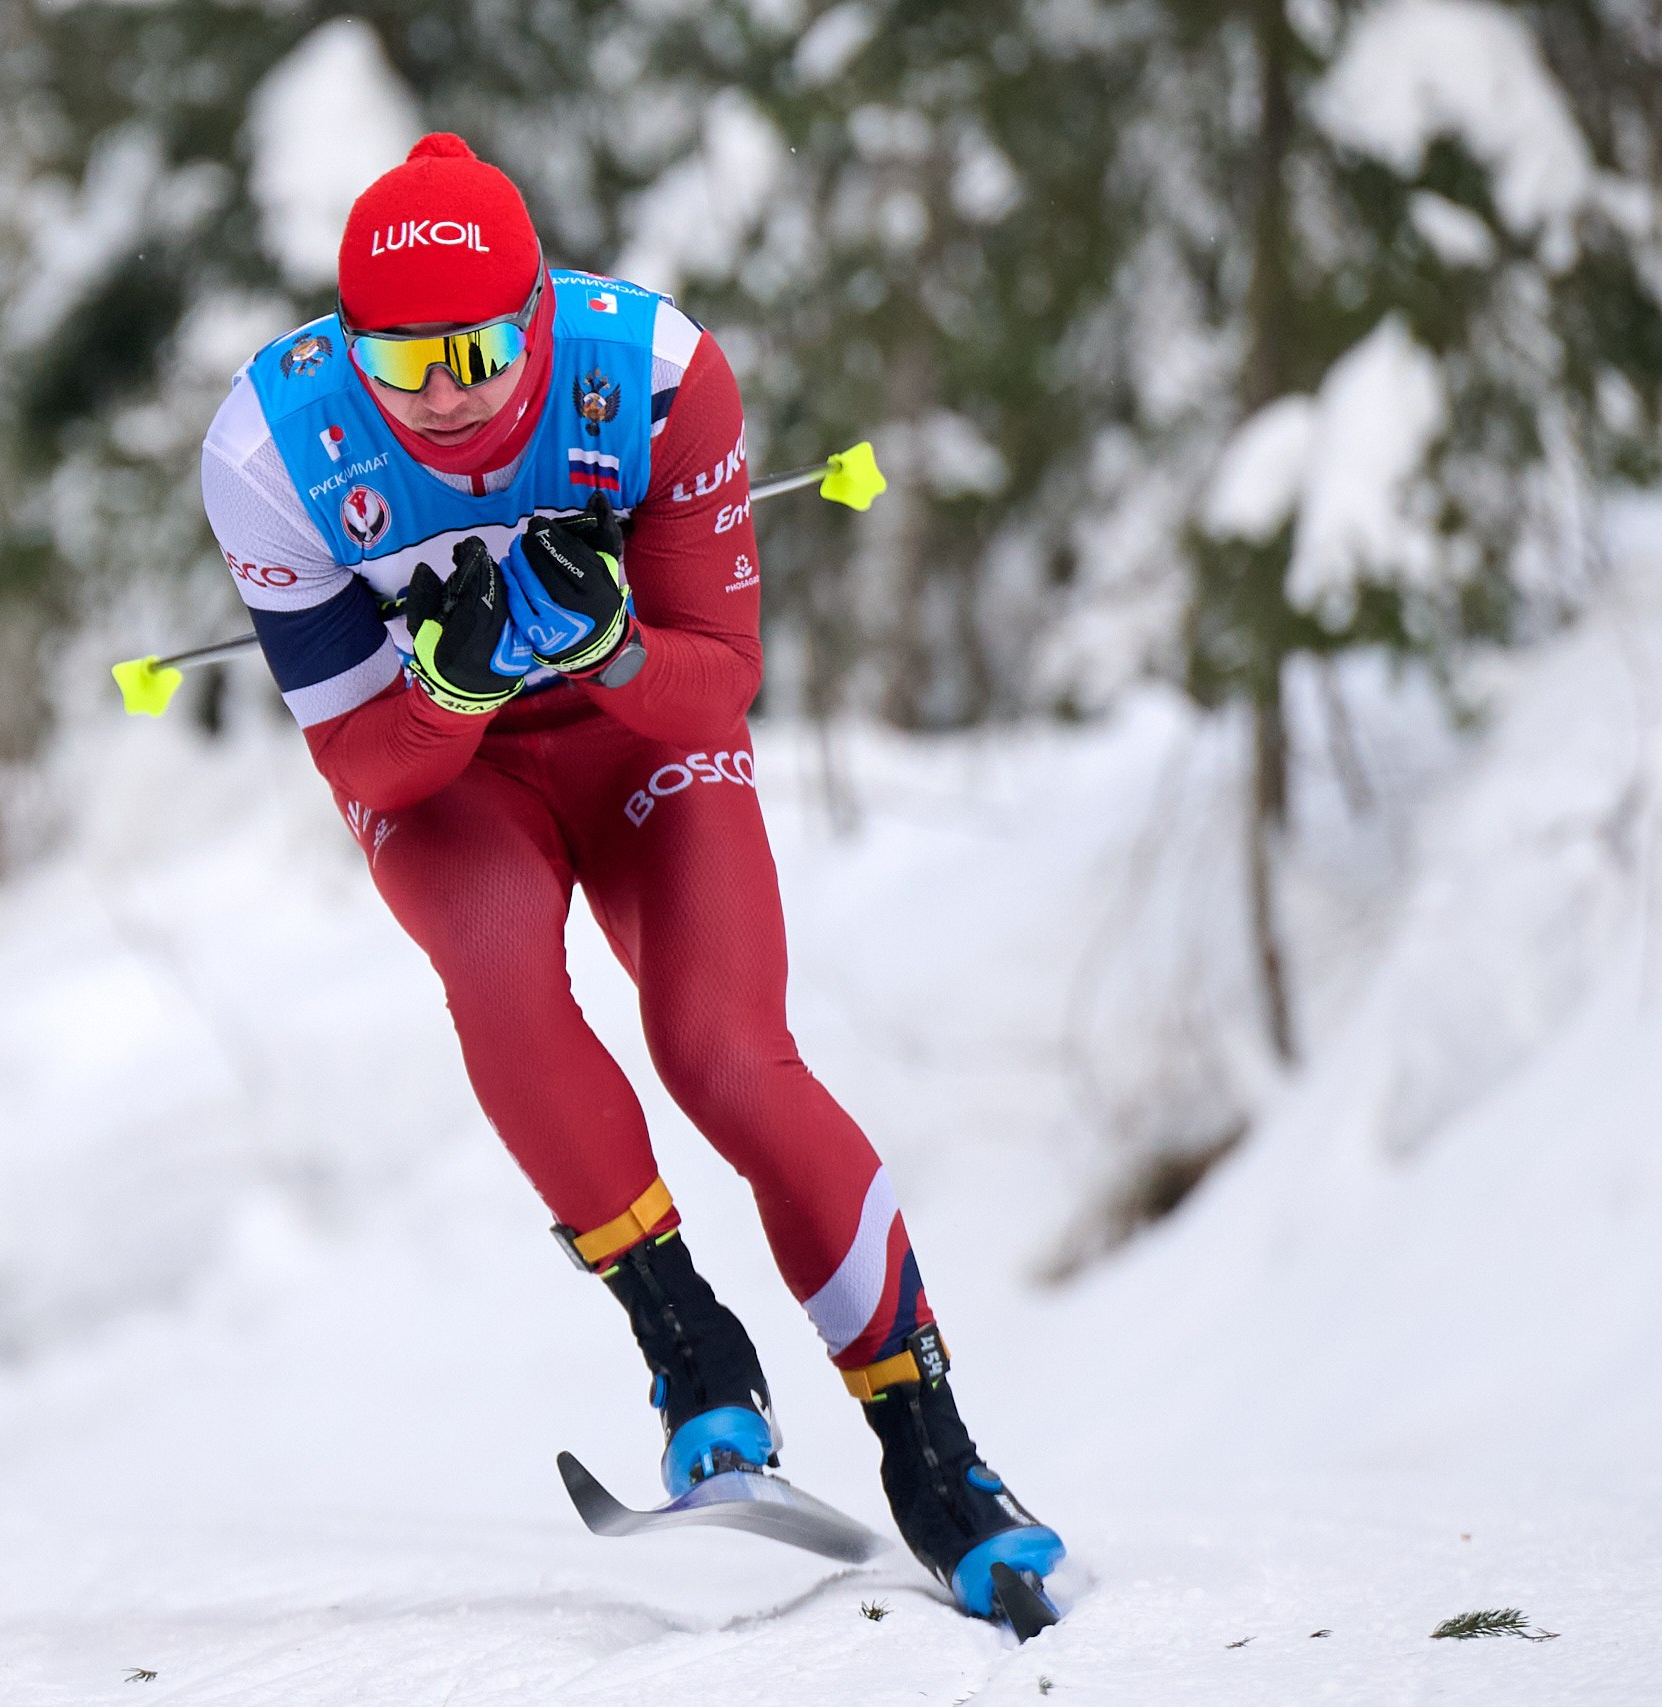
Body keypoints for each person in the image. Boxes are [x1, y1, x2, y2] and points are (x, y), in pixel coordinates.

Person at [198, 133, 1064, 1621]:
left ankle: (939, 1459)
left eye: (480, 353)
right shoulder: (271, 452)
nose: (447, 396)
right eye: (403, 367)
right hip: (454, 773)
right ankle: (693, 1356)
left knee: (724, 1054)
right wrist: (452, 690)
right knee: (493, 954)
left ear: (540, 314)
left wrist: (606, 646)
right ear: (346, 351)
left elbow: (720, 679)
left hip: (640, 736)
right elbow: (367, 769)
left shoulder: (652, 377)